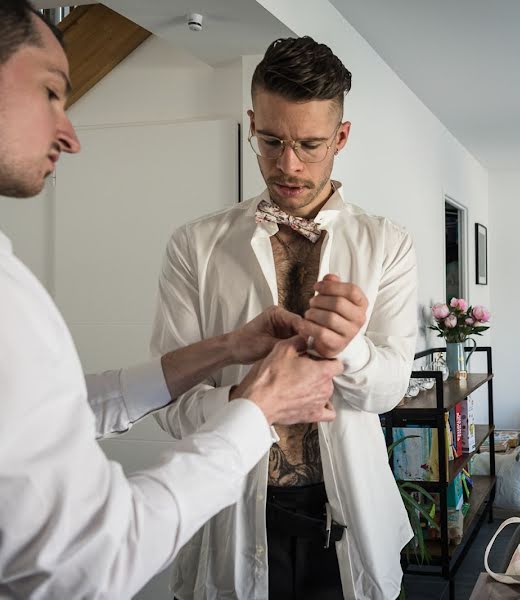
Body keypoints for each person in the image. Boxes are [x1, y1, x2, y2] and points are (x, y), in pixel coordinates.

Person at [0, 3, 343, 598]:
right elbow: (95, 561)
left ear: (338, 139)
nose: (72, 133)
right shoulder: (13, 297)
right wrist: (255, 408)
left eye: (309, 144)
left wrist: (228, 347)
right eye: (52, 93)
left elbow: (62, 413)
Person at [151, 36, 418, 600]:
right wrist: (249, 398)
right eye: (270, 141)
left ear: (341, 137)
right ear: (251, 124)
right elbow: (169, 406)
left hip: (346, 514)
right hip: (231, 509)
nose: (287, 164)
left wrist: (352, 348)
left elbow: (389, 391)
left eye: (310, 144)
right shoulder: (194, 247)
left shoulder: (388, 244)